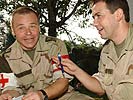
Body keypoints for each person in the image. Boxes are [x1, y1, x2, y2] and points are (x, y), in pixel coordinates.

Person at [0, 6, 94, 100]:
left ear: (39, 27)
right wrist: (8, 95)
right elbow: (10, 87)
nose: (28, 32)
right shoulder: (5, 58)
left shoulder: (55, 45)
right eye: (21, 28)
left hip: (62, 96)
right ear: (13, 31)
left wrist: (42, 94)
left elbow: (63, 81)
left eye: (32, 26)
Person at [52, 0, 133, 100]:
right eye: (93, 17)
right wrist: (76, 71)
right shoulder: (107, 50)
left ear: (118, 14)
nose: (94, 23)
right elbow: (101, 88)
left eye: (99, 16)